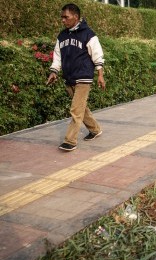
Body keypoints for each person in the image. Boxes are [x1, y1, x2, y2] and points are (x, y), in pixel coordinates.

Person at [47, 3, 106, 151]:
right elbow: (57, 57)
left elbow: (97, 54)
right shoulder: (62, 36)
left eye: (66, 17)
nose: (63, 20)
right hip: (69, 78)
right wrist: (54, 72)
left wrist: (100, 75)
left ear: (76, 17)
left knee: (75, 110)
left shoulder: (88, 34)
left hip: (84, 77)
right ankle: (95, 129)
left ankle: (70, 141)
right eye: (62, 17)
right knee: (81, 108)